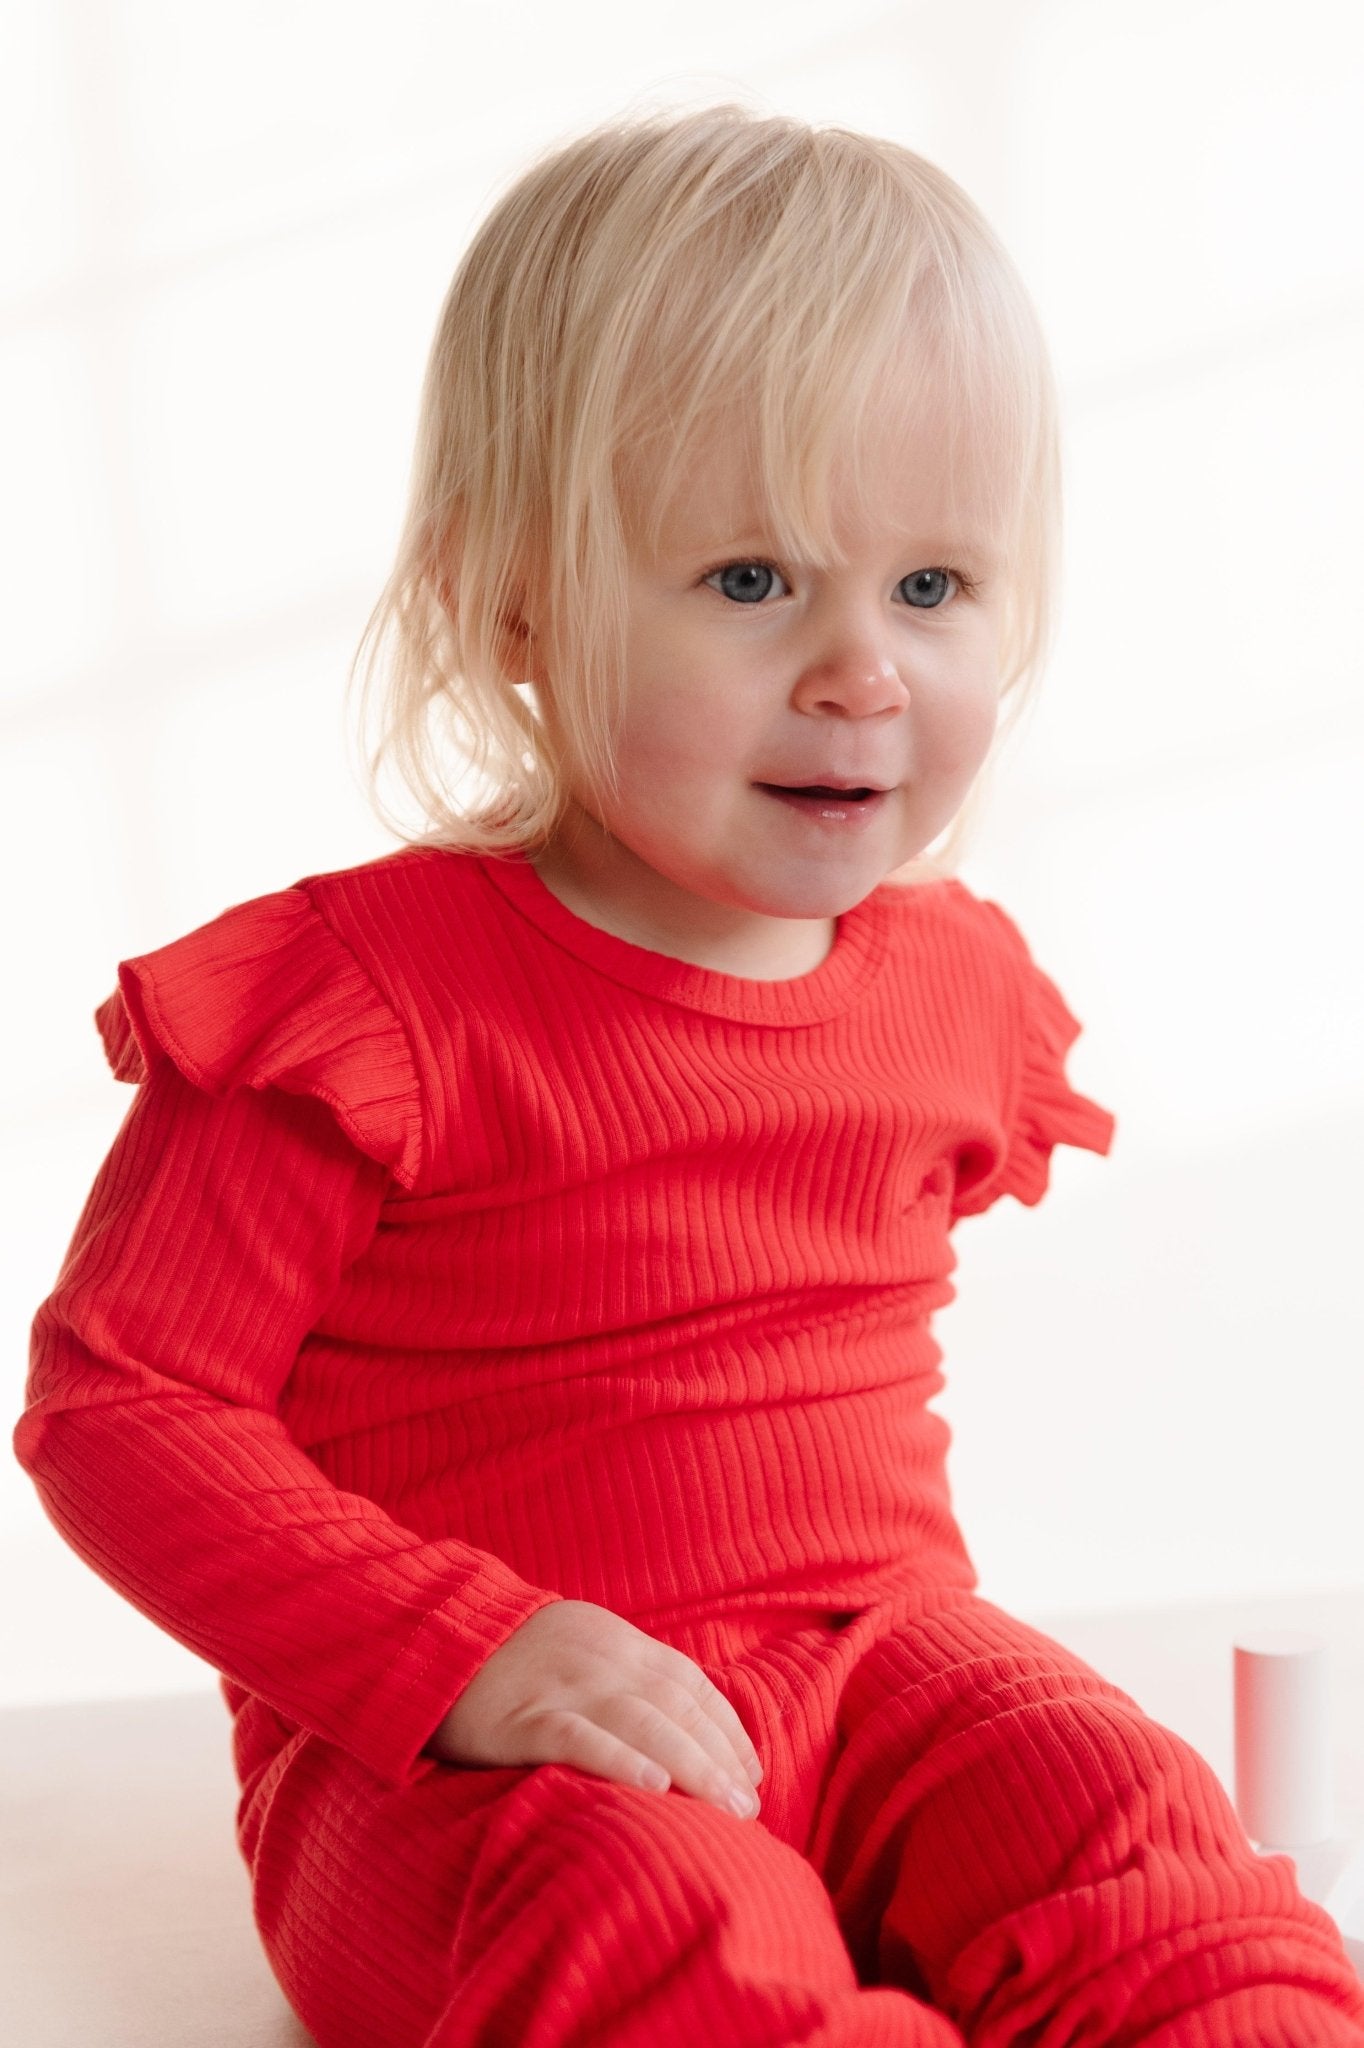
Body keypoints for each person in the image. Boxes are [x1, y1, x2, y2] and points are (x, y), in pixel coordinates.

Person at [14, 101, 1364, 2048]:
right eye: (751, 582)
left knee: (1119, 1803)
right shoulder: (367, 1001)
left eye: (931, 589)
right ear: (517, 608)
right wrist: (460, 1650)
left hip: (879, 1667)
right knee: (662, 1910)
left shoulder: (951, 983)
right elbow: (123, 1408)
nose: (859, 673)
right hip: (484, 1770)